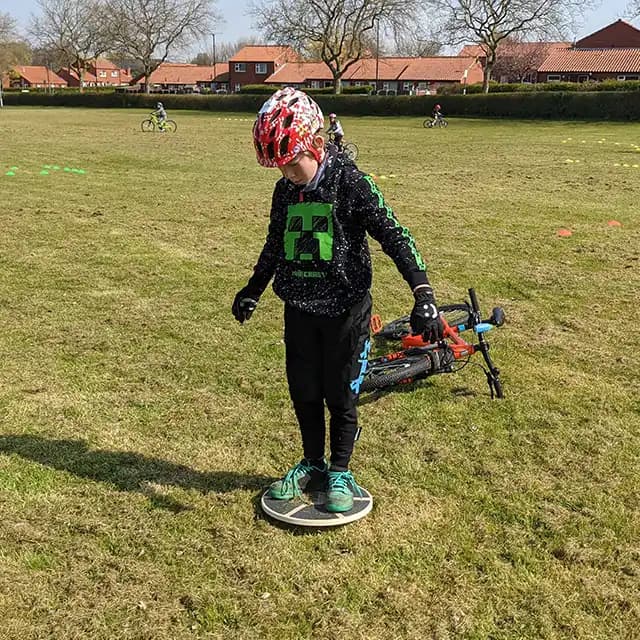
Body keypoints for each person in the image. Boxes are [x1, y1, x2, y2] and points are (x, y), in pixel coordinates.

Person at [232, 87, 443, 513]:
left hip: (345, 312)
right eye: (279, 166)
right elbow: (275, 243)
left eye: (293, 162)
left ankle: (340, 470)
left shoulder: (351, 183)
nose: (288, 172)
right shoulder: (285, 192)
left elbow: (394, 235)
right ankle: (311, 462)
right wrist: (253, 289)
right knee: (304, 393)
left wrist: (423, 292)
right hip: (300, 310)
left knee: (340, 395)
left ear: (314, 142)